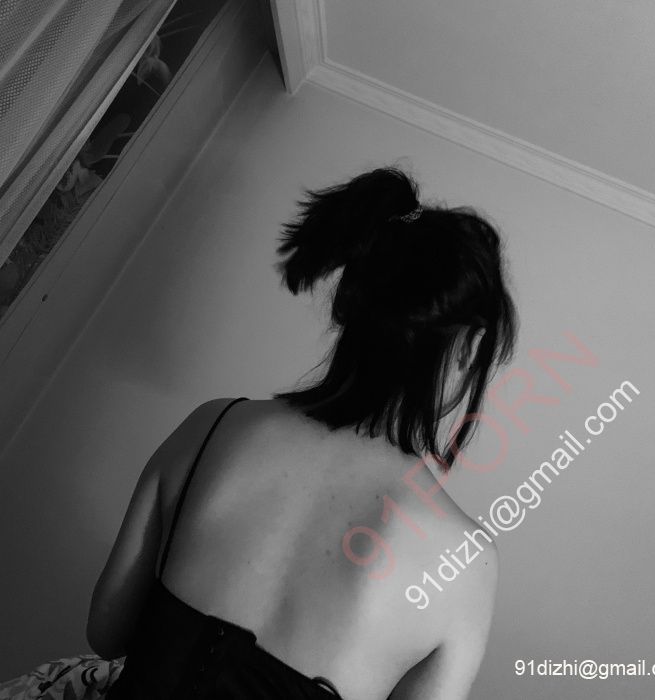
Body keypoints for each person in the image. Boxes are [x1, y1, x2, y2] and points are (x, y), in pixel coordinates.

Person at [87, 166, 517, 699]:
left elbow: (106, 631)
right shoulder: (467, 563)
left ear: (351, 305)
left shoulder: (213, 426)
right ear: (470, 347)